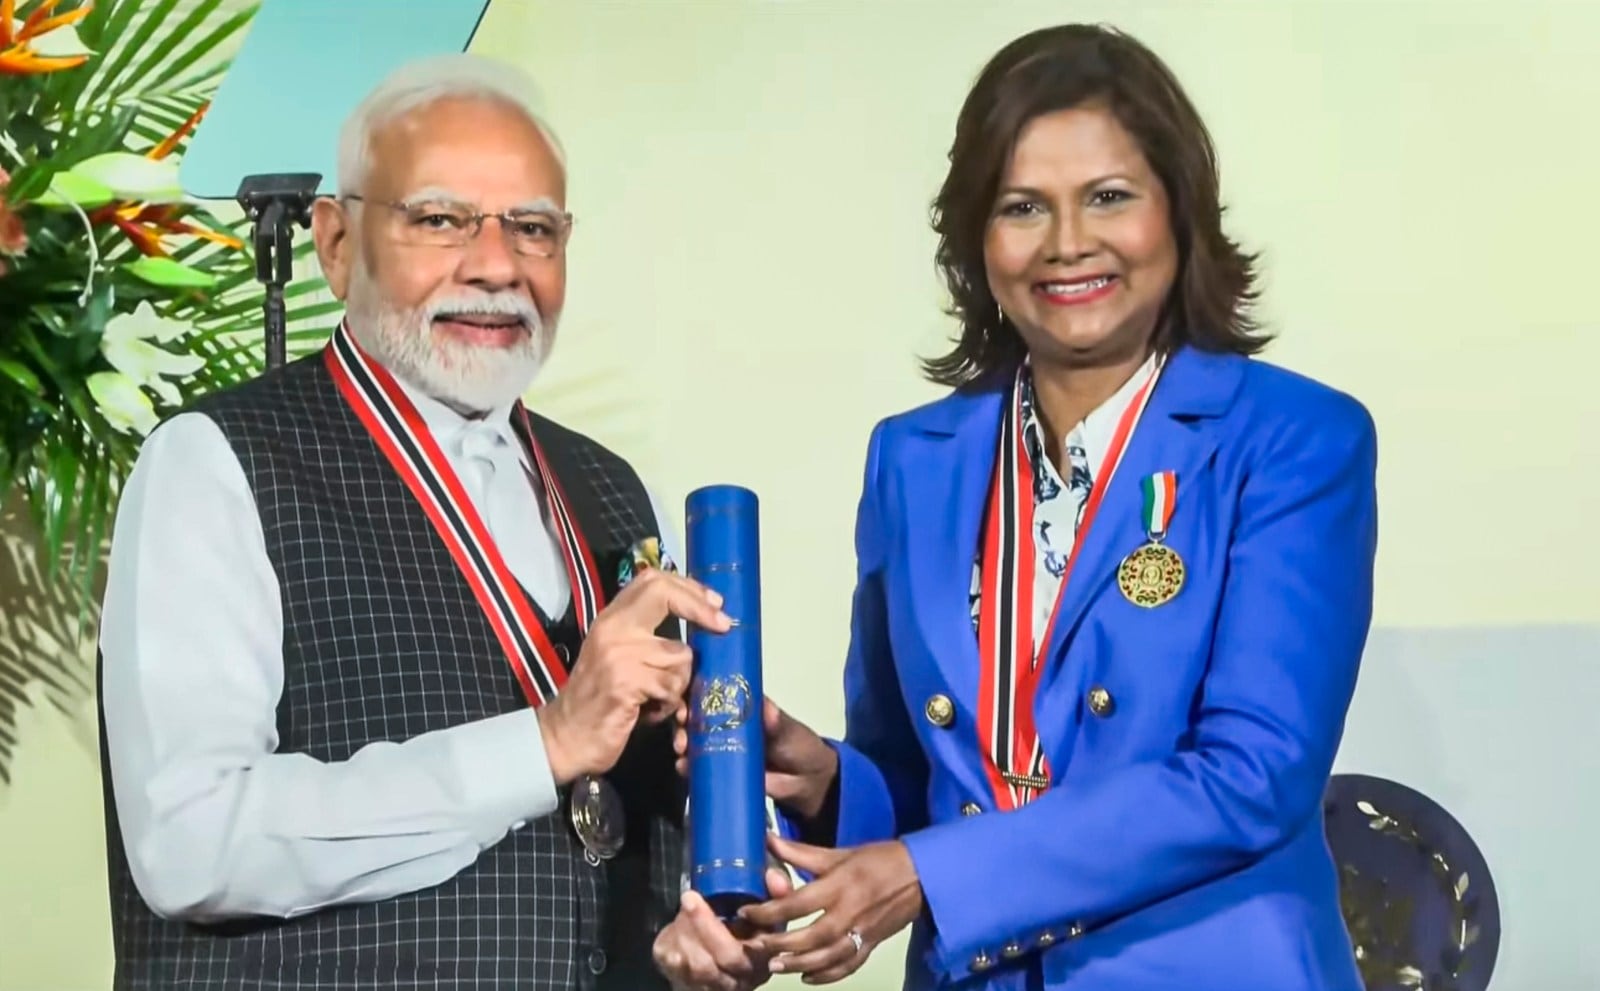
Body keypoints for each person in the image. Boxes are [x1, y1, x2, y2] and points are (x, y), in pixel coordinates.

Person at [657, 22, 1377, 991]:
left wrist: (927, 875)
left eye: (1110, 197)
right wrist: (829, 782)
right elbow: (918, 781)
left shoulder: (1292, 438)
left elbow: (1250, 779)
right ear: (976, 239)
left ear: (1180, 212)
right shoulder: (913, 459)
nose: (1068, 242)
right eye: (1022, 206)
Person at [96, 53, 738, 991]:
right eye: (439, 219)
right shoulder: (216, 460)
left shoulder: (607, 487)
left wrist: (713, 915)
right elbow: (192, 838)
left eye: (533, 228)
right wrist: (543, 741)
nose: (494, 265)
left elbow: (610, 834)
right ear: (335, 242)